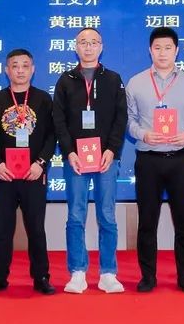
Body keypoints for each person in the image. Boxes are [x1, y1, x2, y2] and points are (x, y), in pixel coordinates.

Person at [126, 27, 184, 293]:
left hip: (180, 159)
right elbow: (129, 120)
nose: (162, 53)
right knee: (147, 222)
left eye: (168, 48)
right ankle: (148, 276)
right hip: (148, 160)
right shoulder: (136, 82)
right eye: (157, 48)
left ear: (177, 50)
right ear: (150, 50)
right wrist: (143, 134)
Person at [53, 28, 128, 294]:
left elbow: (121, 118)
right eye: (83, 42)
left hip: (106, 158)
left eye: (93, 42)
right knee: (75, 215)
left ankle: (108, 272)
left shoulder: (113, 79)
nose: (88, 47)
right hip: (76, 159)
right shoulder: (66, 80)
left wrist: (112, 150)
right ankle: (77, 271)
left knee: (107, 215)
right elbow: (58, 120)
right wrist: (69, 152)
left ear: (101, 47)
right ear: (76, 47)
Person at [0, 48, 57, 295]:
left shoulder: (43, 99)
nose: (20, 70)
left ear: (33, 70)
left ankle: (41, 277)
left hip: (34, 173)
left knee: (36, 229)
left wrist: (40, 163)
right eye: (15, 66)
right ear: (7, 70)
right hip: (4, 175)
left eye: (25, 65)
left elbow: (52, 135)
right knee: (2, 229)